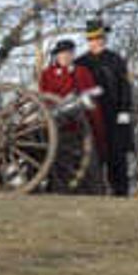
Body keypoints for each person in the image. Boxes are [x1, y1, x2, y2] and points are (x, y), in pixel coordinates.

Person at [79, 17, 138, 197]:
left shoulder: (116, 60)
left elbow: (125, 87)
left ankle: (120, 193)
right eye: (91, 39)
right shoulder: (81, 62)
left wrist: (124, 111)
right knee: (92, 157)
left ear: (103, 38)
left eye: (97, 38)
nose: (94, 42)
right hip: (90, 116)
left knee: (117, 157)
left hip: (114, 115)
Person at [36, 36, 102, 193]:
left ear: (73, 55)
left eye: (68, 53)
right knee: (58, 159)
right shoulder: (47, 74)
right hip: (56, 125)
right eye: (62, 54)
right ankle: (56, 189)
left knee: (87, 162)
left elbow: (91, 95)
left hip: (80, 124)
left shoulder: (82, 72)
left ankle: (90, 191)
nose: (65, 57)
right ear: (57, 56)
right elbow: (43, 98)